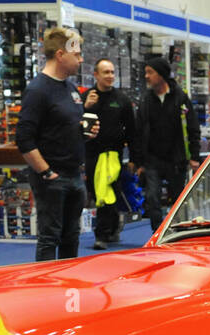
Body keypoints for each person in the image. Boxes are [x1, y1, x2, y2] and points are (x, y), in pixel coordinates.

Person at [16, 26, 100, 261]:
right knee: (49, 237)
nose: (81, 59)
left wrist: (86, 134)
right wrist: (46, 172)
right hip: (52, 177)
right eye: (77, 54)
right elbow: (23, 138)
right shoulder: (37, 90)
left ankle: (67, 286)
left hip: (74, 174)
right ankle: (45, 289)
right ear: (61, 55)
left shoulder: (71, 89)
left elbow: (63, 129)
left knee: (71, 236)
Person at [136, 57, 200, 230]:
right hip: (152, 159)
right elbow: (139, 130)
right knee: (152, 198)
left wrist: (194, 156)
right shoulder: (146, 100)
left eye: (150, 72)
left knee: (179, 199)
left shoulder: (180, 98)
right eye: (145, 72)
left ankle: (180, 231)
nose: (146, 76)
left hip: (176, 158)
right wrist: (139, 162)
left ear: (162, 75)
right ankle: (158, 232)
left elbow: (193, 128)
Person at [83, 57, 139, 248]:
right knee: (97, 191)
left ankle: (102, 235)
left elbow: (132, 130)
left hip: (114, 155)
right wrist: (86, 107)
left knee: (107, 192)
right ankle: (113, 226)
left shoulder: (122, 100)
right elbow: (76, 125)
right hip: (92, 154)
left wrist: (134, 158)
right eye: (106, 72)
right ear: (96, 75)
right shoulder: (87, 98)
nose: (110, 76)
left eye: (112, 72)